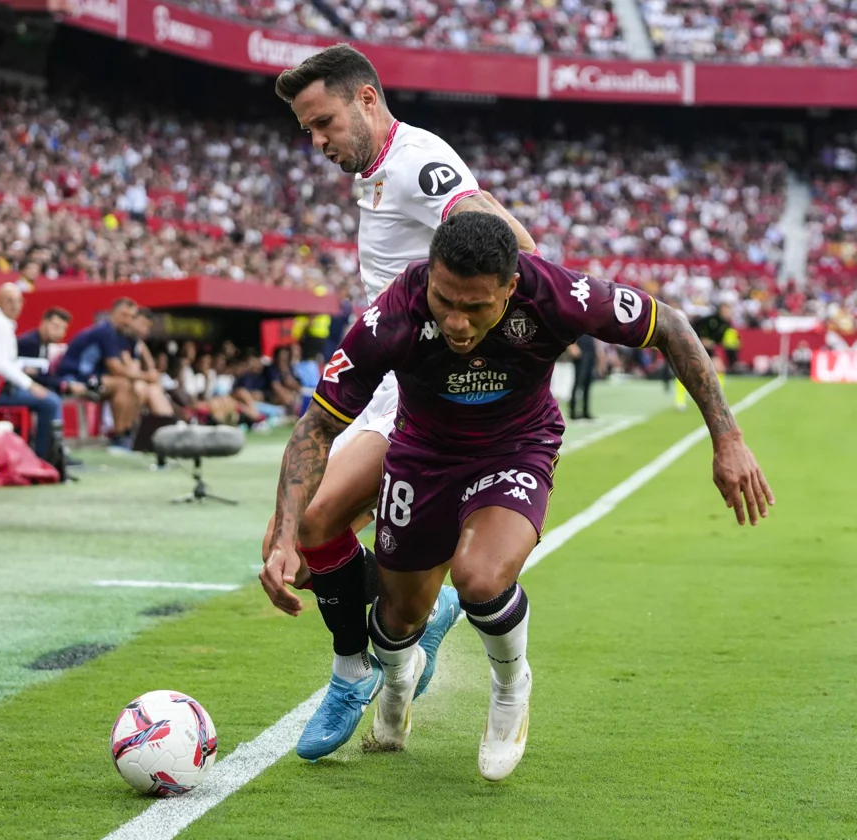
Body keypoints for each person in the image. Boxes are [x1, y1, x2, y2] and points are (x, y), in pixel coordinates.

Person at [267, 212, 774, 780]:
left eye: (476, 307)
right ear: (429, 274)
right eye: (444, 300)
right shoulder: (391, 315)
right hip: (421, 451)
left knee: (479, 577)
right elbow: (315, 429)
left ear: (511, 286)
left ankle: (510, 689)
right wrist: (286, 538)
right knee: (396, 617)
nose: (457, 322)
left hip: (516, 447)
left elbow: (672, 327)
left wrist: (727, 437)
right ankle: (400, 673)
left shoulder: (558, 294)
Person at [260, 42, 538, 761]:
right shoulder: (376, 170)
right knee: (318, 527)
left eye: (322, 123)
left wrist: (482, 347)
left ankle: (369, 662)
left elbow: (513, 242)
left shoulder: (419, 162)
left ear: (366, 99)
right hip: (388, 382)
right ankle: (380, 649)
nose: (317, 142)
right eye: (306, 131)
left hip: (424, 392)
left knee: (325, 521)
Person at [0, 284, 64, 461]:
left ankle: (52, 453)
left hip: (0, 388)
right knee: (50, 401)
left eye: (19, 300)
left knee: (50, 397)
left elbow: (5, 363)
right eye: (9, 301)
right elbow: (0, 364)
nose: (15, 305)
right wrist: (30, 385)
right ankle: (43, 458)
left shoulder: (1, 322)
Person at [56, 298, 142, 450]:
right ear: (113, 313)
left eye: (131, 316)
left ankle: (127, 434)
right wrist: (147, 376)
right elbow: (116, 369)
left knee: (131, 385)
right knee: (122, 384)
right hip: (74, 377)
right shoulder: (105, 332)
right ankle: (118, 437)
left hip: (92, 378)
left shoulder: (119, 335)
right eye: (124, 315)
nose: (127, 320)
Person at [567, 333, 598, 420]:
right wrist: (572, 346)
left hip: (590, 350)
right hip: (581, 350)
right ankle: (573, 411)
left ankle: (585, 410)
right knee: (578, 381)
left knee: (588, 382)